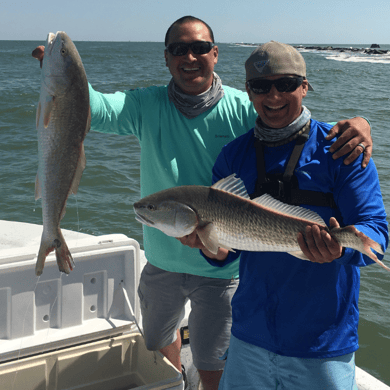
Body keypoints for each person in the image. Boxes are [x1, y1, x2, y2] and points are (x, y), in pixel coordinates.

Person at [33, 18, 373, 390]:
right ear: (166, 57)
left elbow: (292, 119)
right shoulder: (145, 105)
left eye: (199, 48)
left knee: (213, 358)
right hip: (164, 256)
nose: (190, 56)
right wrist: (62, 80)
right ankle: (174, 382)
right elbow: (93, 108)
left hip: (222, 264)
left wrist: (359, 123)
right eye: (179, 49)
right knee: (161, 341)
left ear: (215, 54)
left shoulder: (246, 107)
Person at [179, 41, 388, 389]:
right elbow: (225, 253)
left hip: (322, 344)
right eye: (261, 86)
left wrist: (342, 249)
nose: (273, 95)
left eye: (286, 84)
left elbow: (376, 233)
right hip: (249, 337)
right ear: (248, 91)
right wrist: (206, 246)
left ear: (305, 86)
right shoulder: (232, 156)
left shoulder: (341, 149)